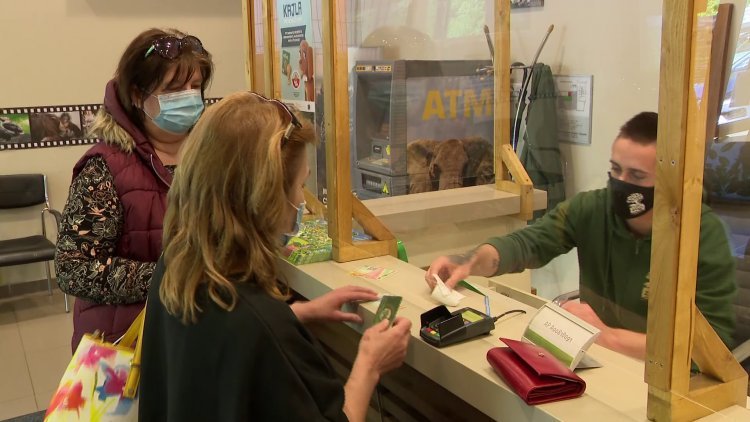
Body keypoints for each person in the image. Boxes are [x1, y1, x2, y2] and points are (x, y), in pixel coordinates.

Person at [138, 91, 412, 421]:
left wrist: (296, 314)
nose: (301, 201)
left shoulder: (177, 263)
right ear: (266, 199)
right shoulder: (262, 326)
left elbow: (219, 341)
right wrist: (369, 364)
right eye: (299, 187)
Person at [426, 112, 736, 360]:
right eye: (616, 169)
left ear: (670, 180)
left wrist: (606, 336)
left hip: (663, 381)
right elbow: (529, 243)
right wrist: (468, 262)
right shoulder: (593, 208)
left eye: (636, 176)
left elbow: (708, 346)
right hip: (599, 361)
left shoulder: (702, 235)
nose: (620, 182)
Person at [54, 28, 213, 352]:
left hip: (199, 333)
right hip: (128, 344)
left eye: (195, 86)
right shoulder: (105, 168)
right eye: (174, 89)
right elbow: (73, 268)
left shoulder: (211, 155)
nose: (189, 96)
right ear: (139, 96)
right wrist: (172, 276)